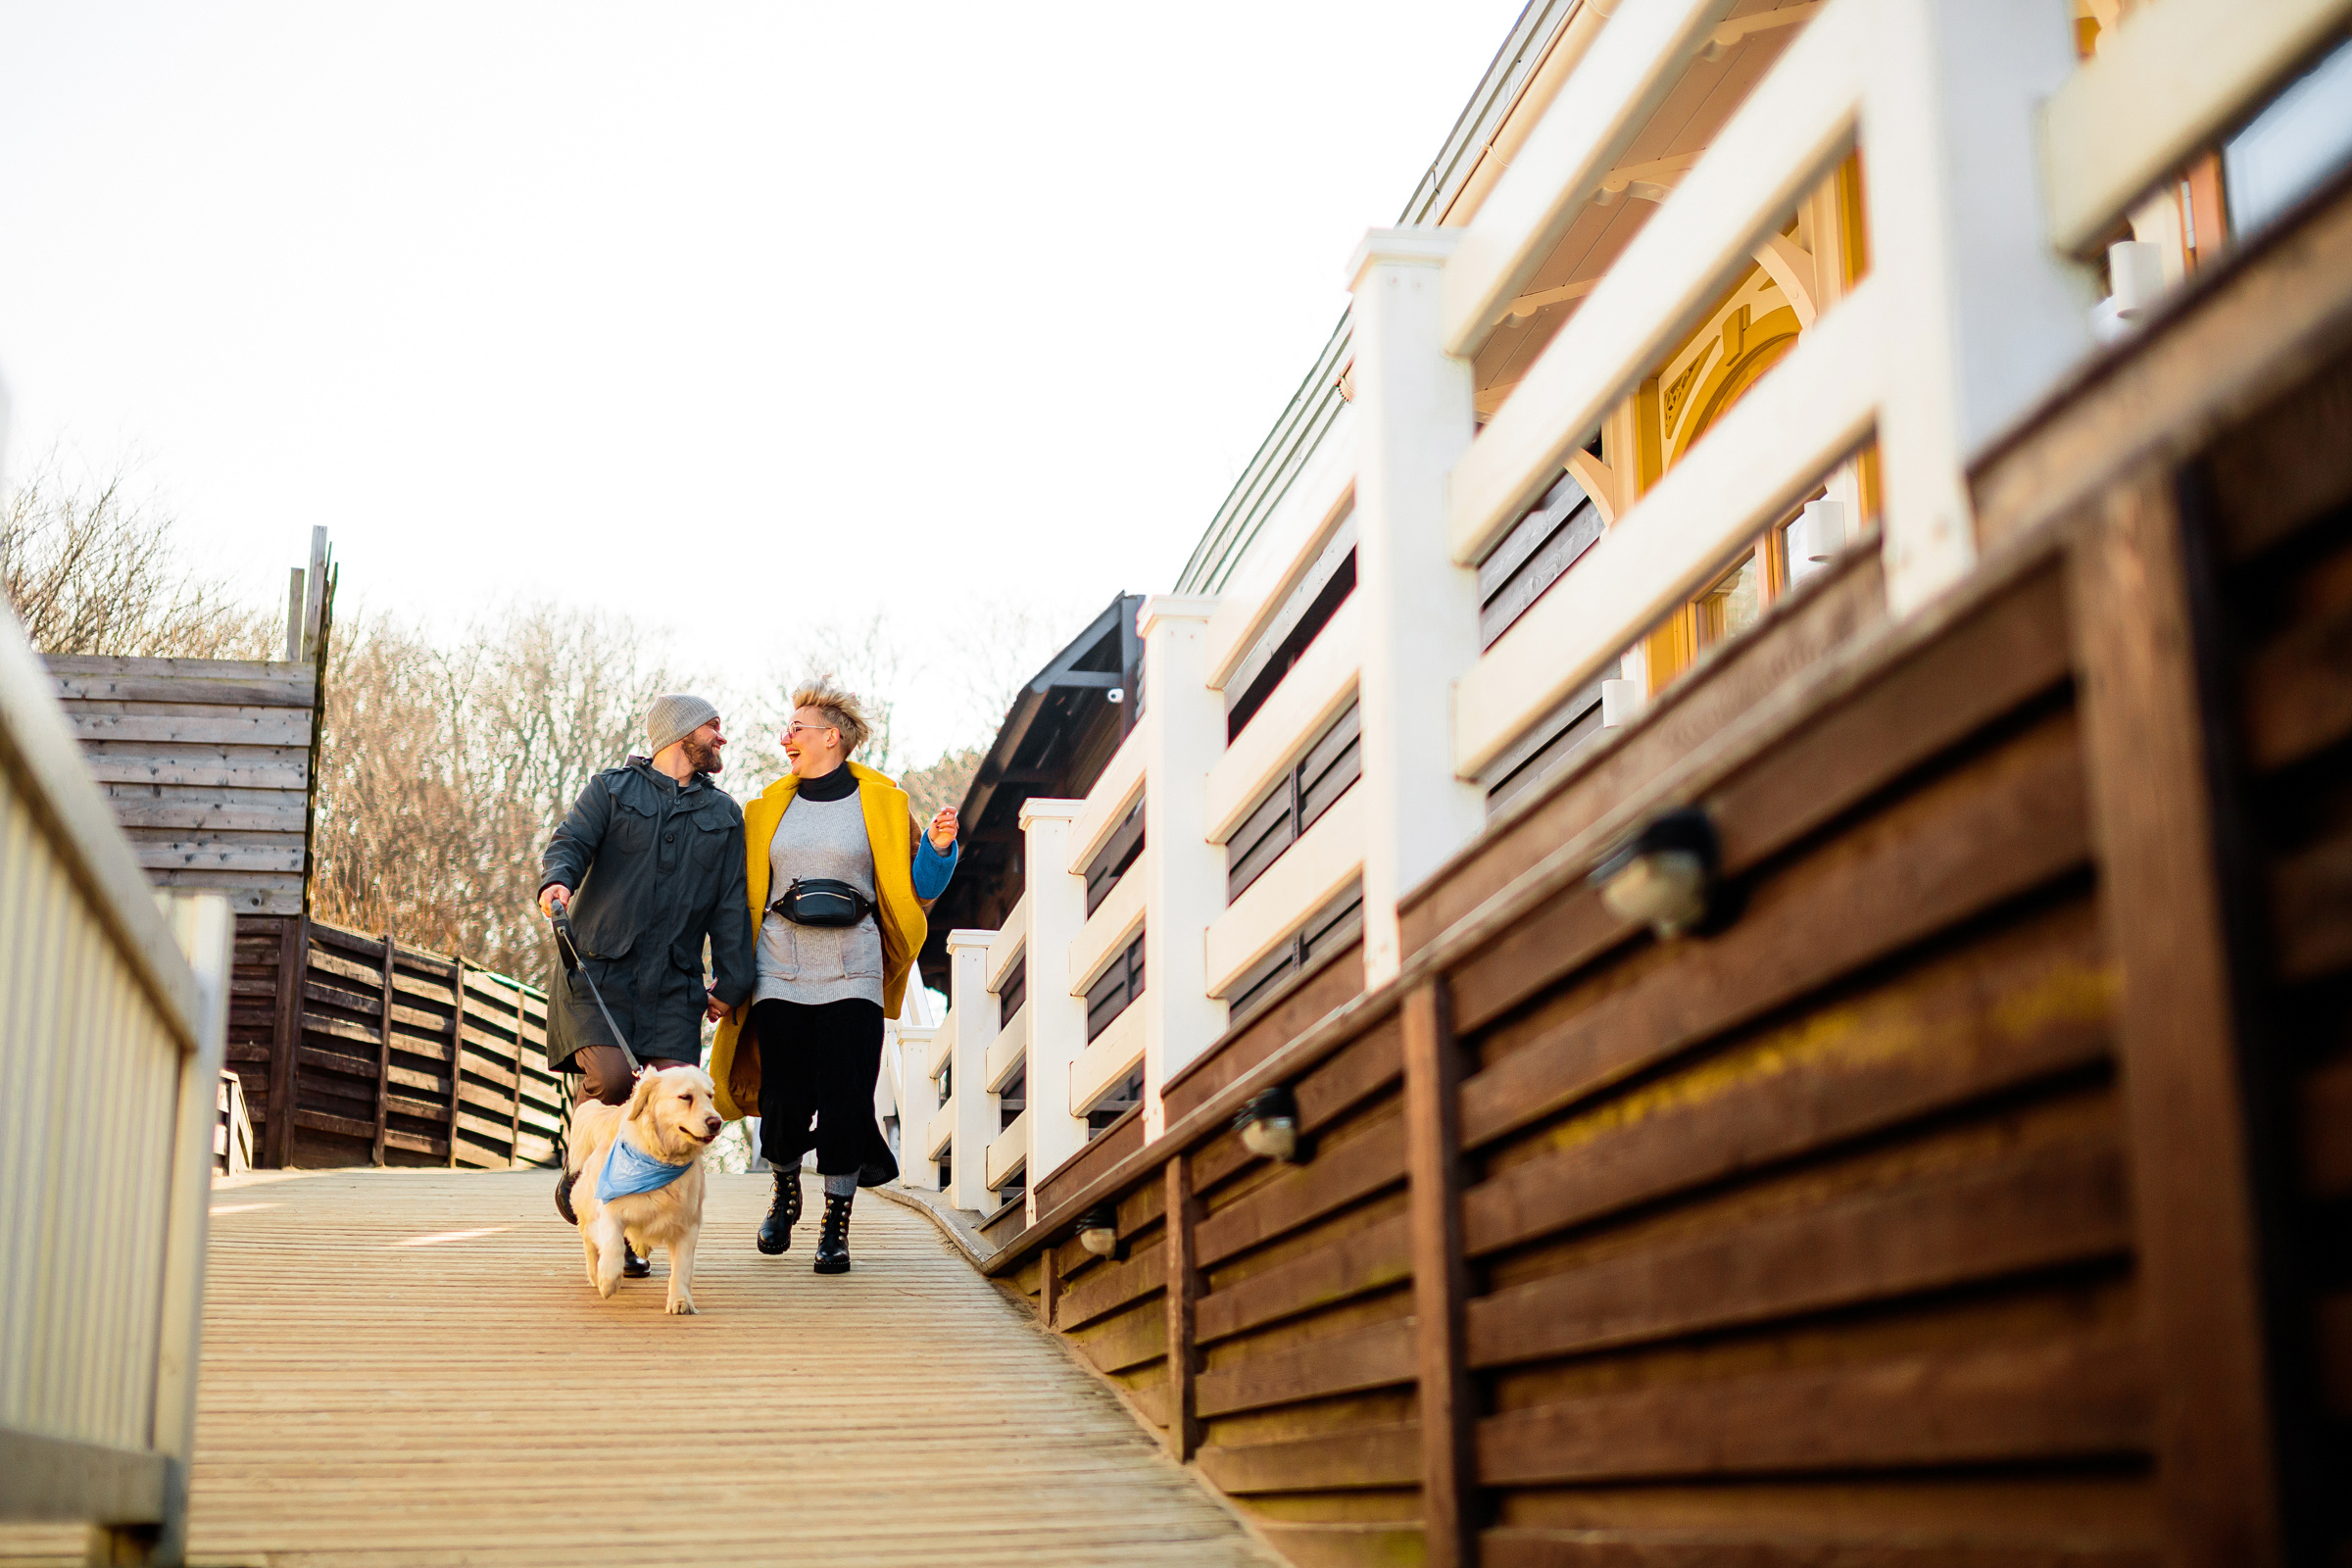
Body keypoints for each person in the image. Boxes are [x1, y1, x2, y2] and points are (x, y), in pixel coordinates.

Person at [706, 677, 958, 1275]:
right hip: (780, 965)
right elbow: (741, 894)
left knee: (848, 1098)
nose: (785, 737)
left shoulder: (883, 803)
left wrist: (940, 849)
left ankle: (836, 1221)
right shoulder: (767, 808)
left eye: (796, 727)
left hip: (855, 966)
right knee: (784, 1097)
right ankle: (785, 1187)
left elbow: (915, 887)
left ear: (832, 737)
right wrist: (727, 972)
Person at [538, 694, 756, 1276]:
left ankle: (635, 1237)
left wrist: (733, 978)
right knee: (611, 1081)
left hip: (672, 990)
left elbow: (732, 903)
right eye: (714, 728)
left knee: (670, 1113)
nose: (721, 739)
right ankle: (586, 1178)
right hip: (598, 975)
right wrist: (557, 883)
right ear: (679, 735)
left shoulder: (725, 816)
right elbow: (571, 843)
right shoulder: (611, 790)